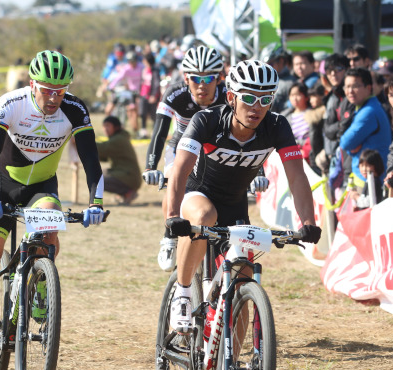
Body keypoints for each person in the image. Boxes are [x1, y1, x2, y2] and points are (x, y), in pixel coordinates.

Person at [0, 50, 105, 370]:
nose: (54, 97)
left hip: (41, 187)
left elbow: (92, 163)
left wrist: (95, 203)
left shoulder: (75, 109)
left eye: (61, 90)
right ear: (32, 84)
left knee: (49, 222)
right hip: (2, 186)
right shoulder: (11, 104)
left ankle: (41, 281)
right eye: (47, 89)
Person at [163, 60, 322, 333]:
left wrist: (308, 221)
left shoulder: (277, 125)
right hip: (198, 193)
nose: (257, 107)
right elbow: (180, 167)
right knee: (204, 216)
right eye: (248, 98)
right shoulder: (207, 120)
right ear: (231, 98)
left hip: (235, 205)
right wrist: (173, 216)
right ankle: (184, 291)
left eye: (265, 99)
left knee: (242, 284)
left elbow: (296, 175)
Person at [141, 45, 228, 272]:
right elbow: (160, 132)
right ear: (186, 77)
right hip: (180, 147)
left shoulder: (229, 96)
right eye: (195, 78)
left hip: (211, 152)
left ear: (219, 78)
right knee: (173, 180)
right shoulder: (175, 93)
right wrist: (151, 166)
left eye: (209, 77)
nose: (202, 84)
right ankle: (169, 236)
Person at [339, 67, 392, 184]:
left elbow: (345, 143)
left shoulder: (368, 112)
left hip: (370, 180)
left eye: (355, 86)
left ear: (368, 88)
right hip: (366, 177)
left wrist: (352, 149)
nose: (350, 91)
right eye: (347, 87)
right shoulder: (366, 107)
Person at [97, 115, 141, 205]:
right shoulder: (119, 138)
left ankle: (128, 193)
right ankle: (125, 193)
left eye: (108, 126)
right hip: (128, 175)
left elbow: (100, 149)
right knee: (99, 174)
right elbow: (103, 156)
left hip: (129, 177)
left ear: (116, 127)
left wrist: (82, 141)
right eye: (104, 126)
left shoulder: (118, 140)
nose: (105, 128)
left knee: (97, 179)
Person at [105, 50, 143, 134]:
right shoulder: (126, 68)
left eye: (133, 61)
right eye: (130, 61)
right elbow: (118, 77)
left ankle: (136, 130)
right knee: (131, 112)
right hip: (131, 92)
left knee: (136, 113)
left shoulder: (141, 67)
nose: (131, 63)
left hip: (140, 92)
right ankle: (134, 130)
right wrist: (111, 86)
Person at [261, 43, 295, 113]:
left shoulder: (291, 83)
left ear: (281, 61)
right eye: (265, 65)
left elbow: (290, 109)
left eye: (270, 64)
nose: (267, 68)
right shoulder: (265, 80)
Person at [138, 53, 160, 138]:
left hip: (152, 96)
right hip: (143, 95)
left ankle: (154, 132)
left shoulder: (155, 71)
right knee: (142, 114)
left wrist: (154, 95)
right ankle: (143, 132)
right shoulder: (144, 70)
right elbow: (141, 82)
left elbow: (156, 84)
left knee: (153, 115)